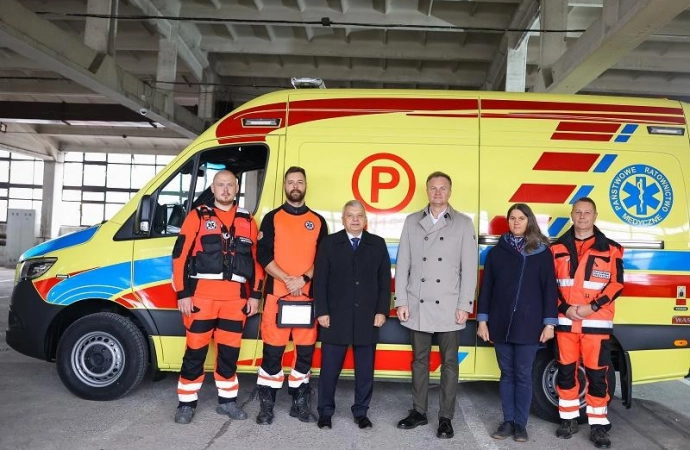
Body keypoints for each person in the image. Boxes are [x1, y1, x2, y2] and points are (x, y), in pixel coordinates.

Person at [171, 170, 263, 424]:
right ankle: (186, 404)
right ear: (213, 188)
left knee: (229, 354)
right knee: (195, 352)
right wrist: (182, 293)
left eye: (230, 185)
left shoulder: (248, 220)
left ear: (236, 189)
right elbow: (179, 257)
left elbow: (256, 262)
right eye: (220, 185)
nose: (225, 190)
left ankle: (227, 402)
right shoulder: (197, 216)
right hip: (201, 298)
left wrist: (255, 295)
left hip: (236, 301)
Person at [394, 171, 478, 439]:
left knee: (449, 363)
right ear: (427, 192)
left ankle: (446, 417)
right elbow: (403, 264)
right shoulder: (412, 221)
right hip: (417, 303)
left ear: (450, 192)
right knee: (419, 361)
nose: (438, 192)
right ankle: (419, 411)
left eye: (443, 188)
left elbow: (470, 270)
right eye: (433, 188)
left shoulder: (463, 224)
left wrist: (465, 303)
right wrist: (402, 301)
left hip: (449, 305)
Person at [476, 203, 558, 442]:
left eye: (521, 218)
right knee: (507, 374)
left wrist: (549, 324)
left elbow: (549, 290)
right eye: (512, 218)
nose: (516, 222)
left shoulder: (541, 252)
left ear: (529, 221)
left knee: (523, 375)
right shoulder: (497, 252)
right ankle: (507, 421)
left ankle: (520, 425)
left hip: (529, 325)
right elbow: (487, 288)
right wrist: (483, 321)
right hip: (500, 323)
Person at [252, 166, 328, 425]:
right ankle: (267, 403)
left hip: (307, 298)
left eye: (300, 182)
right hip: (277, 297)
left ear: (306, 186)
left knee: (304, 353)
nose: (295, 186)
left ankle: (300, 400)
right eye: (291, 182)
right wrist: (287, 278)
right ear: (285, 186)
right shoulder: (272, 218)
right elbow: (263, 255)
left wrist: (303, 278)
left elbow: (323, 259)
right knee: (272, 353)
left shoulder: (318, 221)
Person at [551, 197, 624, 449]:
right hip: (566, 320)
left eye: (587, 213)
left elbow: (616, 285)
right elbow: (549, 286)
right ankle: (568, 420)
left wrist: (591, 307)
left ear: (595, 216)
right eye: (578, 212)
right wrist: (567, 308)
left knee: (597, 375)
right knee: (566, 372)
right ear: (572, 215)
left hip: (596, 323)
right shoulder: (557, 248)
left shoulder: (612, 249)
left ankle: (598, 425)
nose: (582, 217)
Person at [313, 200, 391, 430]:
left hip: (368, 317)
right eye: (350, 215)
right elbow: (320, 281)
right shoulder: (329, 243)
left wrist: (381, 311)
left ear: (365, 219)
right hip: (335, 317)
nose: (355, 219)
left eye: (359, 215)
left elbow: (384, 281)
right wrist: (322, 312)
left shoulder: (377, 244)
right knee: (329, 371)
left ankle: (361, 412)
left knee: (365, 371)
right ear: (343, 219)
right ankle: (325, 412)